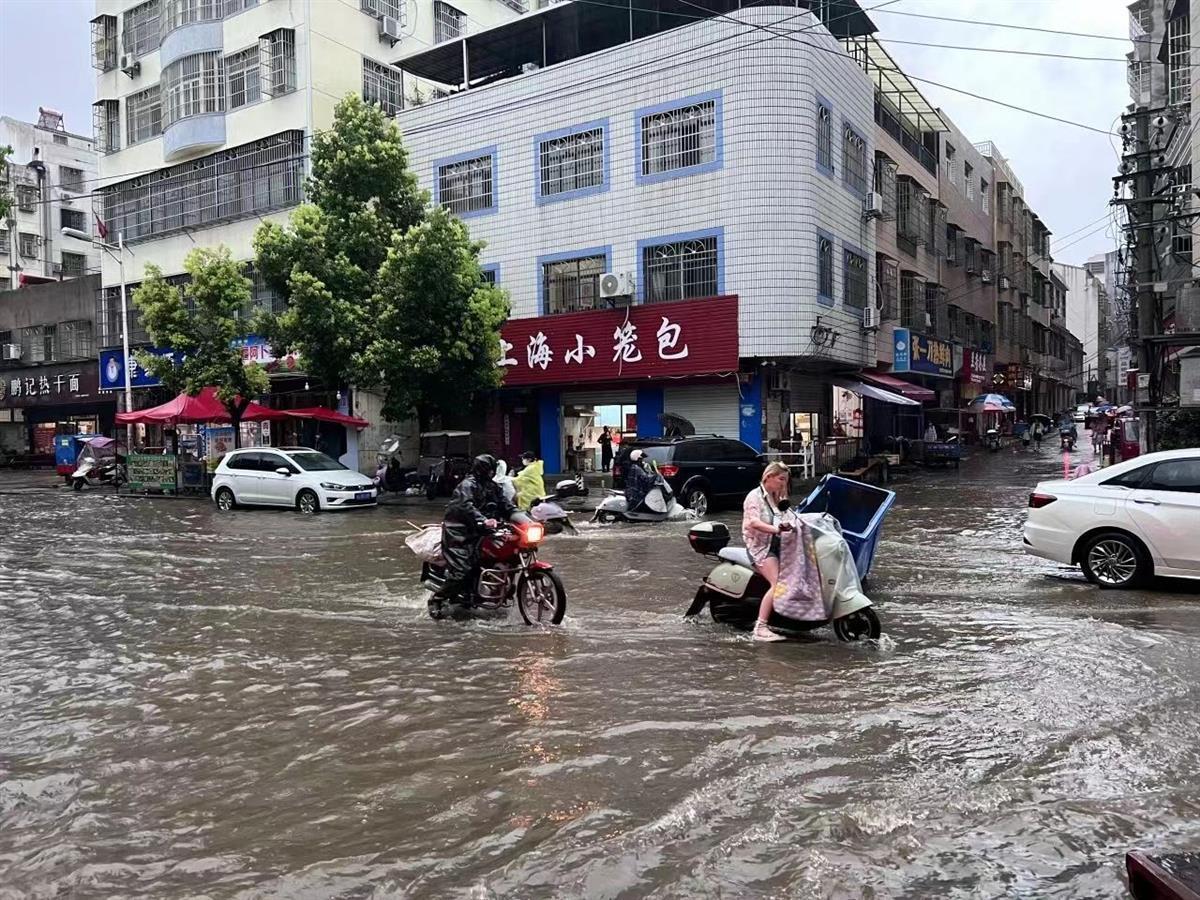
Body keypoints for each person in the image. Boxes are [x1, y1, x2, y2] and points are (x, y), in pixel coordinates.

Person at [435, 454, 517, 609]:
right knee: (462, 570)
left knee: (510, 554)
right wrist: (484, 520)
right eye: (489, 470)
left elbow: (506, 505)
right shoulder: (467, 486)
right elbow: (466, 506)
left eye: (492, 470)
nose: (491, 473)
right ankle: (437, 599)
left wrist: (525, 518)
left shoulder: (493, 487)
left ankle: (498, 587)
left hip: (484, 531)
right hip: (461, 532)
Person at [742, 461, 794, 643]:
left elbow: (788, 517)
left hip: (778, 544)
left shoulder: (774, 498)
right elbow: (753, 523)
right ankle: (761, 627)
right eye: (781, 479)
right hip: (760, 546)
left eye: (785, 481)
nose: (783, 484)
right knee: (778, 583)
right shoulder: (753, 497)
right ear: (768, 477)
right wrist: (777, 529)